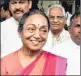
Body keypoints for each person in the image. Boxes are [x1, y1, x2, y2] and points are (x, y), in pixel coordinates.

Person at [1, 9, 67, 75]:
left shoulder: (57, 63)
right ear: (19, 32)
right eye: (31, 29)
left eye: (43, 30)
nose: (37, 35)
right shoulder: (5, 64)